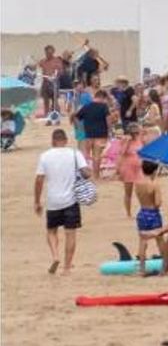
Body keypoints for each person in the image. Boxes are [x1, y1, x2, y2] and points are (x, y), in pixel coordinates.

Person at [35, 129, 90, 275]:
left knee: (51, 231)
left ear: (52, 141)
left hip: (53, 201)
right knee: (70, 234)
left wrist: (37, 201)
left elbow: (39, 180)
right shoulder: (74, 154)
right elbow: (86, 173)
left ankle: (55, 256)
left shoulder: (45, 156)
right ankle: (66, 267)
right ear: (65, 140)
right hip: (71, 200)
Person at [130, 160, 168, 275]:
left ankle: (142, 269)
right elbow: (158, 203)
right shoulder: (154, 184)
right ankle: (164, 268)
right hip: (153, 213)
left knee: (142, 241)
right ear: (154, 170)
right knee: (160, 240)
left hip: (142, 211)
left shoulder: (138, 183)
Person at [74, 89, 112, 180]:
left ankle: (85, 176)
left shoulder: (86, 106)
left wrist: (80, 128)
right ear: (102, 97)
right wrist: (110, 131)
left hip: (88, 134)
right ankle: (96, 176)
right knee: (97, 156)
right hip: (101, 134)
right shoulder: (104, 106)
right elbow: (108, 120)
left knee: (86, 155)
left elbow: (76, 116)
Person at [115, 123, 146, 216]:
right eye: (135, 133)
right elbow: (121, 153)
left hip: (139, 167)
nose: (136, 134)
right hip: (127, 168)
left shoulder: (140, 140)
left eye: (137, 132)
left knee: (141, 190)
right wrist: (127, 142)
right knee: (128, 192)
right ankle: (128, 213)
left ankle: (143, 210)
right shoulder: (125, 140)